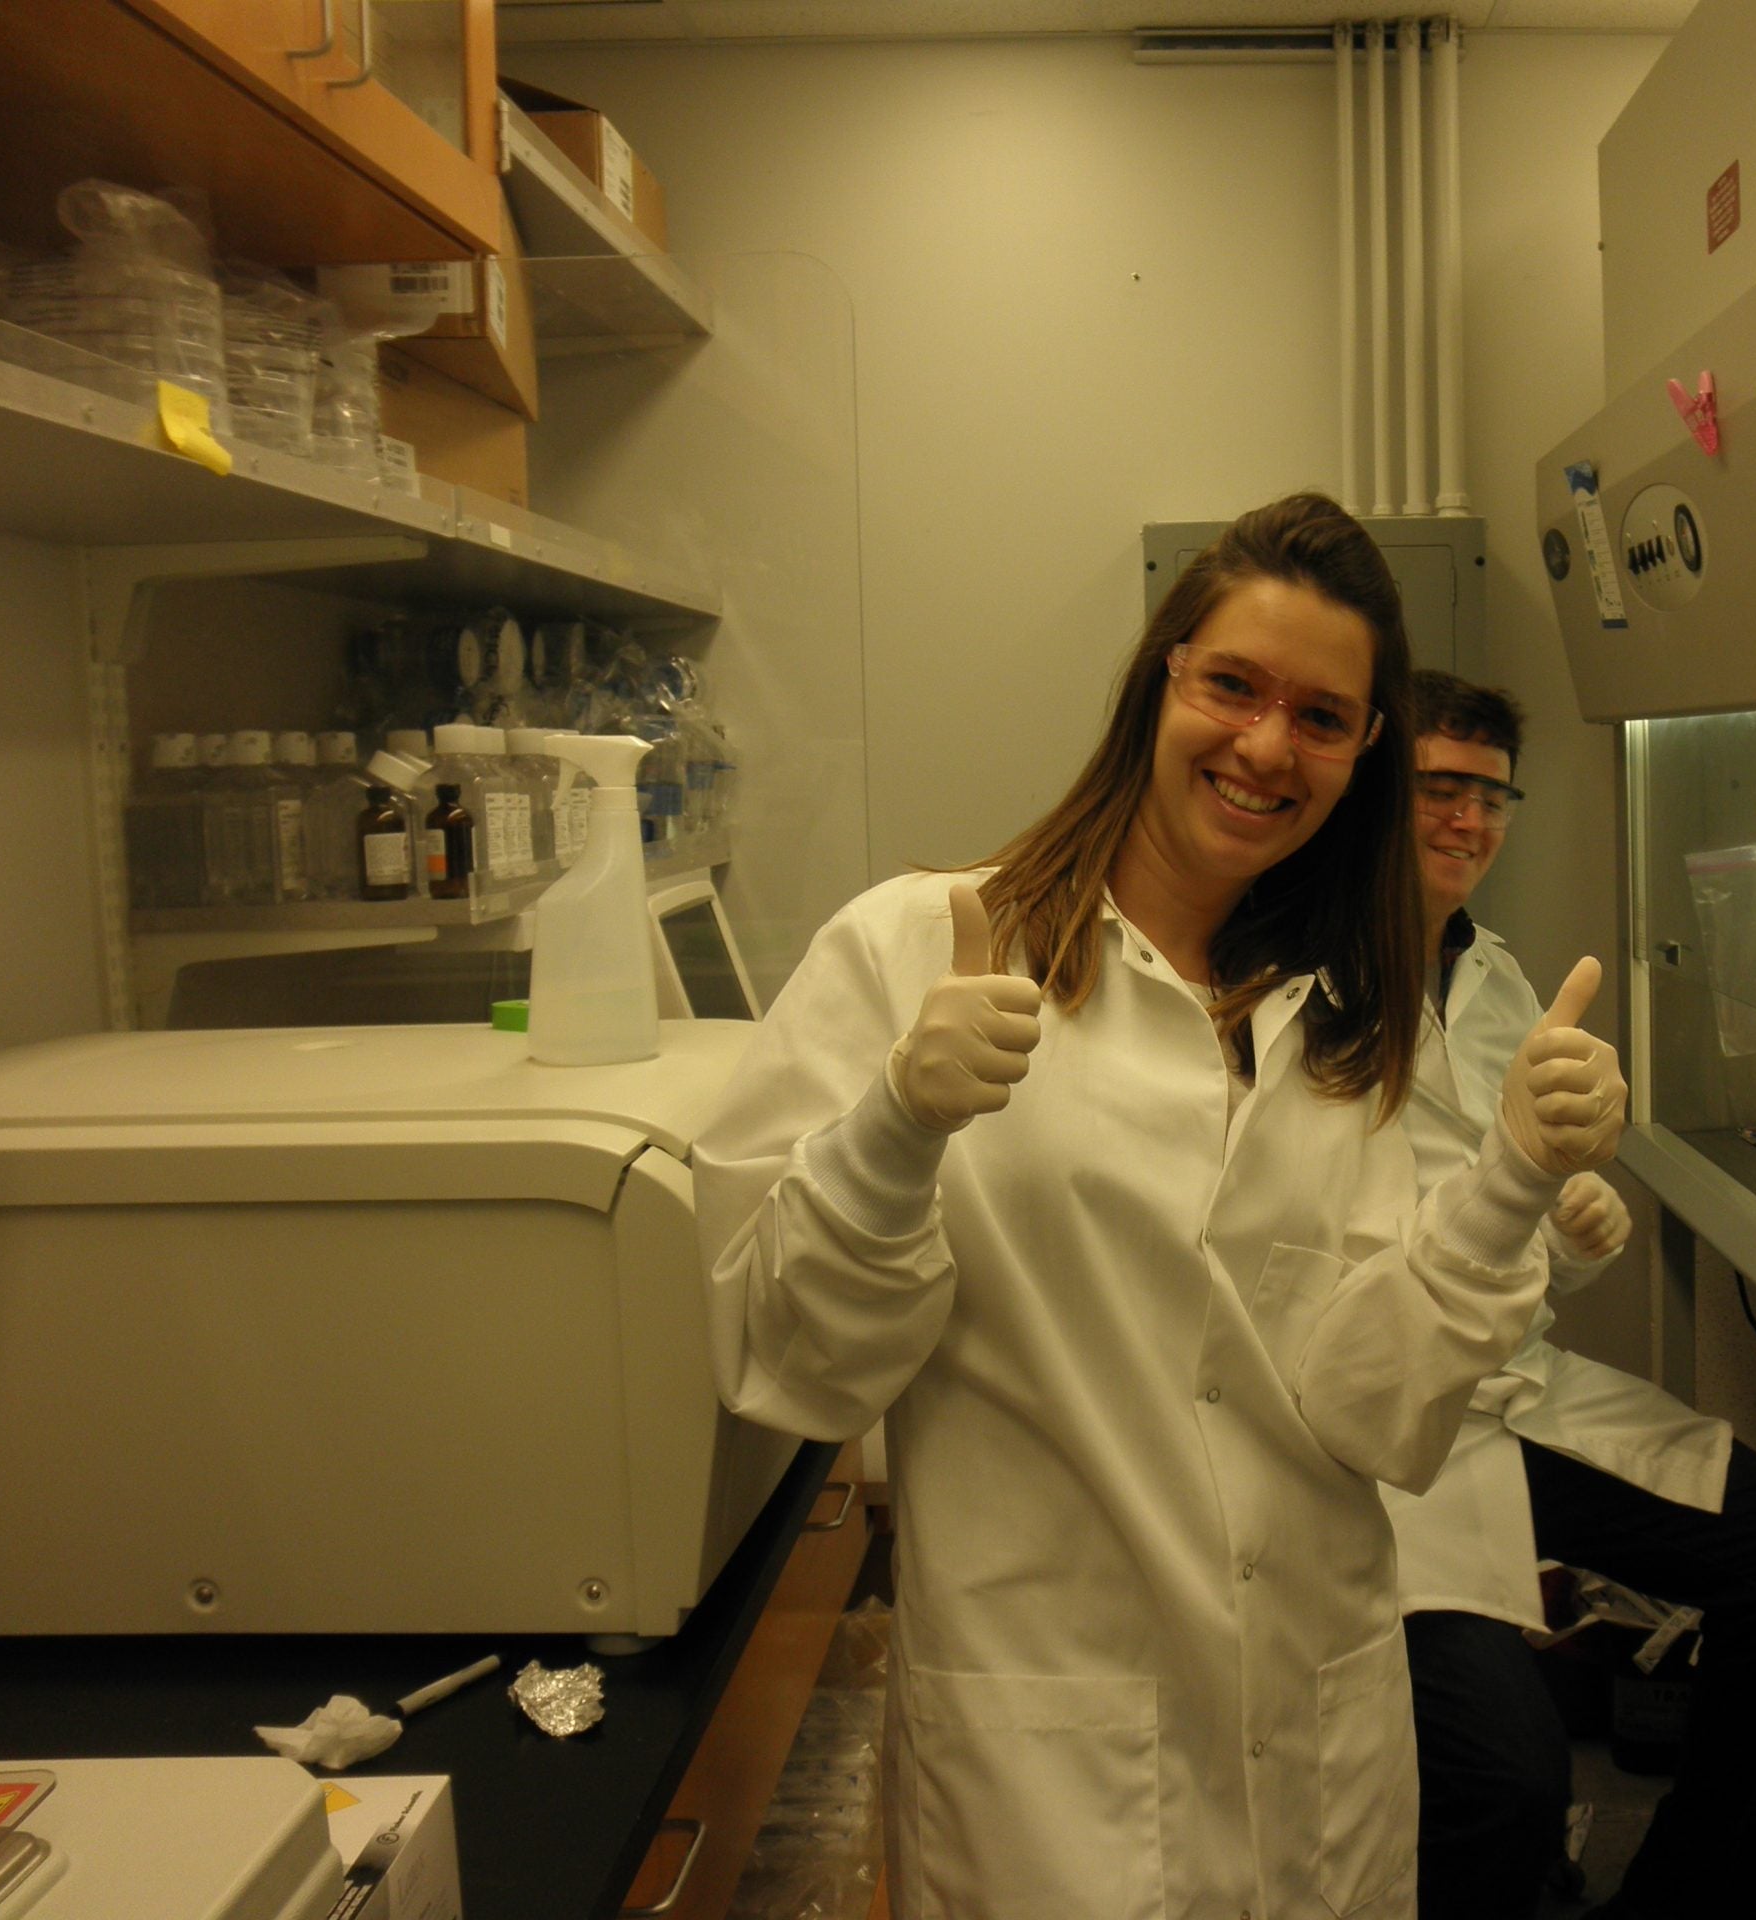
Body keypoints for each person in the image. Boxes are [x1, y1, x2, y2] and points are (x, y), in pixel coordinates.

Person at [692, 496, 1629, 1920]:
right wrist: (893, 1130)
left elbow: (1370, 1416)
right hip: (1048, 1781)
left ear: (1364, 752)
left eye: (1322, 717)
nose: (1266, 746)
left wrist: (1509, 1182)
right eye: (1233, 685)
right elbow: (788, 1367)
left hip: (1318, 1742)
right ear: (1161, 677)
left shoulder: (1356, 1016)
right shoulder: (916, 945)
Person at [1387, 671, 1756, 1920]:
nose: (1468, 820)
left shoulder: (1495, 981)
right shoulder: (1297, 985)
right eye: (1437, 786)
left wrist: (1577, 1232)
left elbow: (1526, 1226)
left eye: (1492, 796)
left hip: (1512, 1397)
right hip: (1380, 1442)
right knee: (1507, 1780)